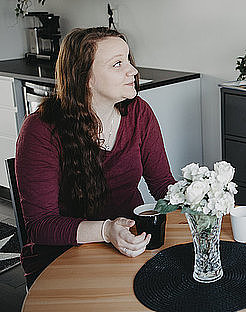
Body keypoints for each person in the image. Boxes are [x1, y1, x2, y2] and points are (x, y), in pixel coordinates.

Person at [15, 27, 175, 286]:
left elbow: (162, 185)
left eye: (129, 60)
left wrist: (201, 202)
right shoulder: (41, 129)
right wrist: (105, 230)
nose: (133, 71)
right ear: (86, 78)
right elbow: (40, 224)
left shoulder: (138, 112)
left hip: (129, 244)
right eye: (117, 64)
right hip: (62, 256)